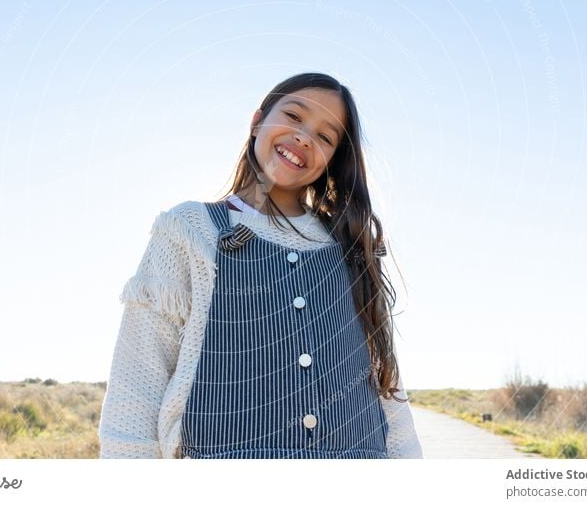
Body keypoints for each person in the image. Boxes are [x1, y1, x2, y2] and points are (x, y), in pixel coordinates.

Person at [98, 72, 424, 459]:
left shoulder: (350, 246)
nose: (304, 137)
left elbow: (386, 387)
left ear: (332, 159)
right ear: (257, 122)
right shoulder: (190, 229)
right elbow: (137, 383)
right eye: (294, 116)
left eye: (325, 136)